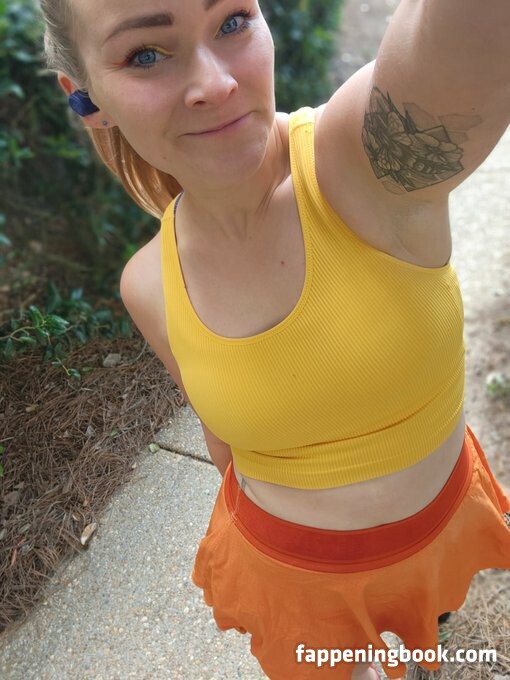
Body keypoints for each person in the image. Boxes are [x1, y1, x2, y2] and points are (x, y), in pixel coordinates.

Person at [40, 0, 510, 678]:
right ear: (87, 98)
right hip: (291, 577)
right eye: (145, 54)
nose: (216, 83)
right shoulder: (147, 283)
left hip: (439, 527)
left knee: (432, 622)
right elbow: (223, 440)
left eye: (232, 21)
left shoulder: (361, 166)